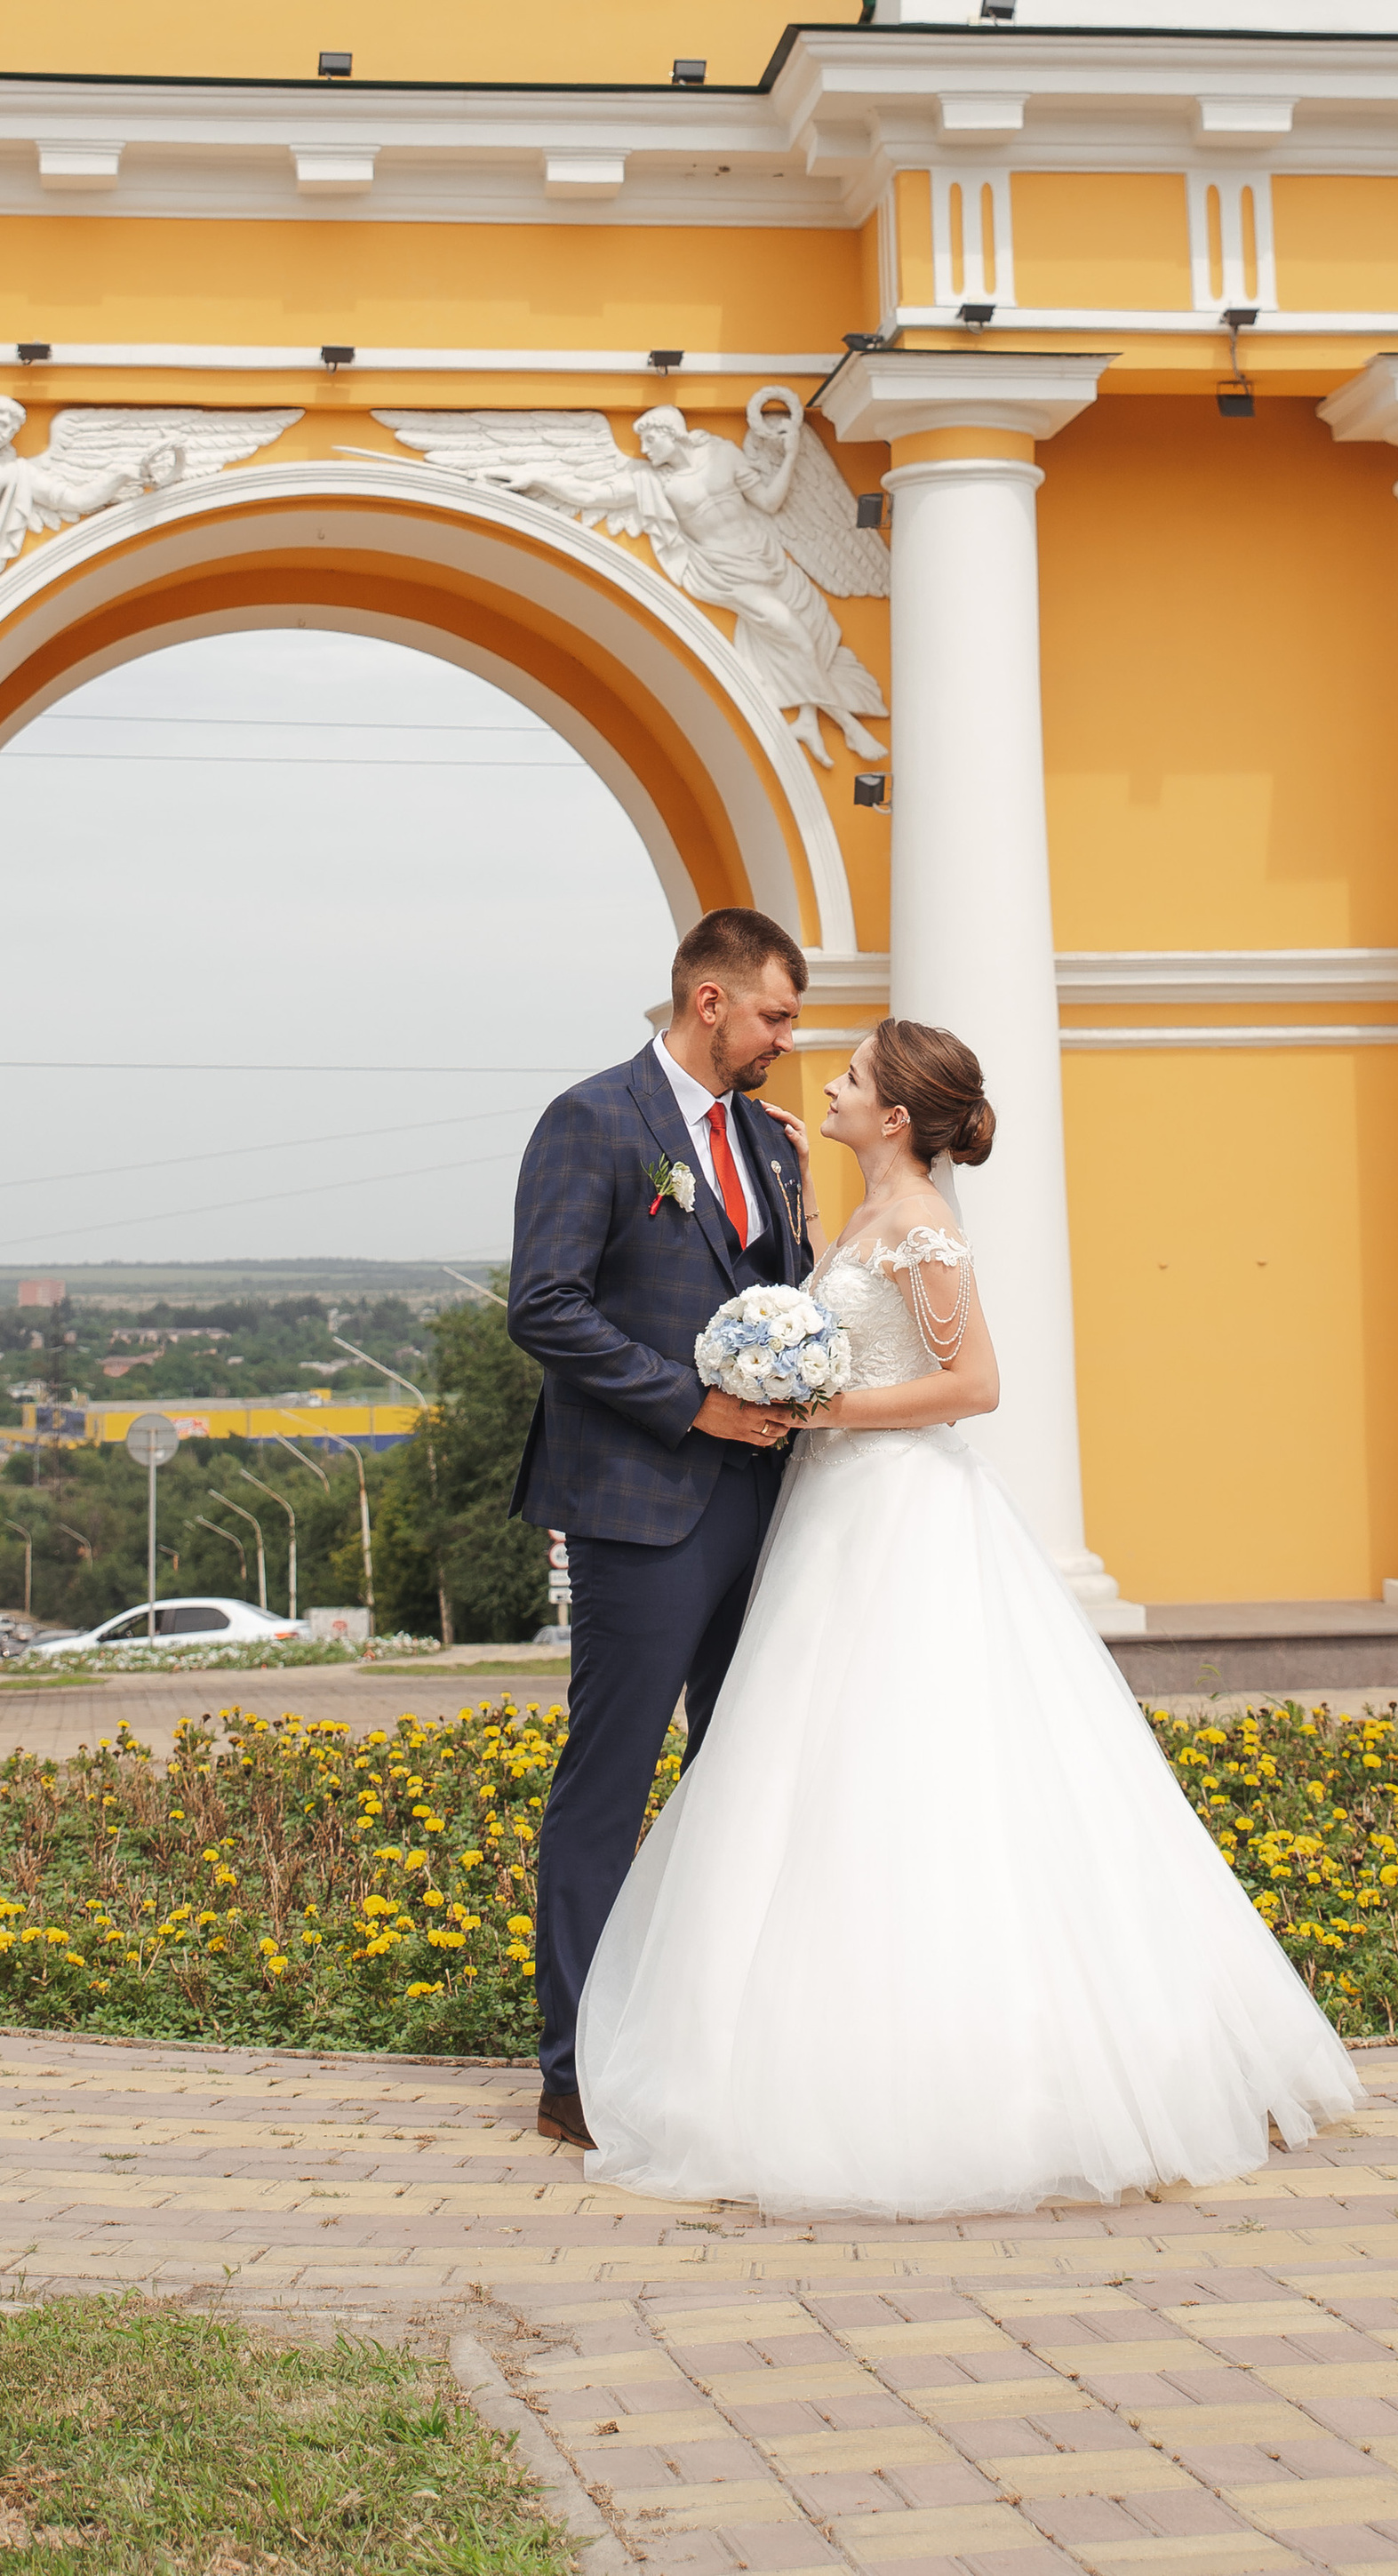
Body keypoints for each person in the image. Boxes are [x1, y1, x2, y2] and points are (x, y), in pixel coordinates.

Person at [571, 1018, 1365, 2218]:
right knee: (814, 1768)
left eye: (850, 1078)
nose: (829, 1084)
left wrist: (822, 1409)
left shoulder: (921, 1227)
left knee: (912, 1766)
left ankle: (972, 2073)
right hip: (834, 1512)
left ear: (895, 1116)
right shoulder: (864, 1211)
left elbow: (973, 1383)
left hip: (898, 1508)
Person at [507, 908, 816, 2151]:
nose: (786, 1040)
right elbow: (545, 1305)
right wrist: (694, 1403)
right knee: (611, 1782)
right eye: (774, 1016)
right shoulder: (592, 1120)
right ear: (709, 1000)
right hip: (640, 1509)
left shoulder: (770, 1143)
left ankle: (710, 2043)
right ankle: (574, 2072)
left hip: (768, 1506)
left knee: (740, 1778)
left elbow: (784, 1297)